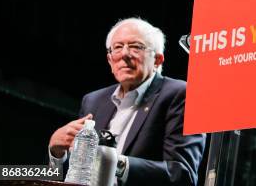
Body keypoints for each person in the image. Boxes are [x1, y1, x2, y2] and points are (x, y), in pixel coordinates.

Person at [48, 17, 205, 186]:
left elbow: (182, 173)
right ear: (110, 60)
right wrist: (56, 152)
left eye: (136, 47)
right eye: (117, 47)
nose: (124, 54)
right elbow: (72, 174)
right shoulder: (93, 100)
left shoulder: (180, 93)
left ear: (158, 60)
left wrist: (114, 162)